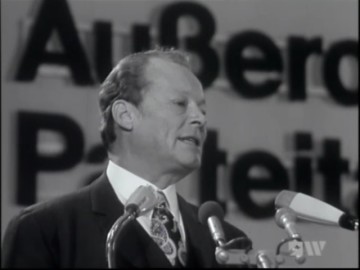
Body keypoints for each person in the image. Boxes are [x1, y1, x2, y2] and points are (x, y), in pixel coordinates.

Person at [2, 48, 252, 268]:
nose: (200, 119)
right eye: (180, 104)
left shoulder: (229, 245)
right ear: (125, 115)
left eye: (203, 109)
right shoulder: (47, 230)